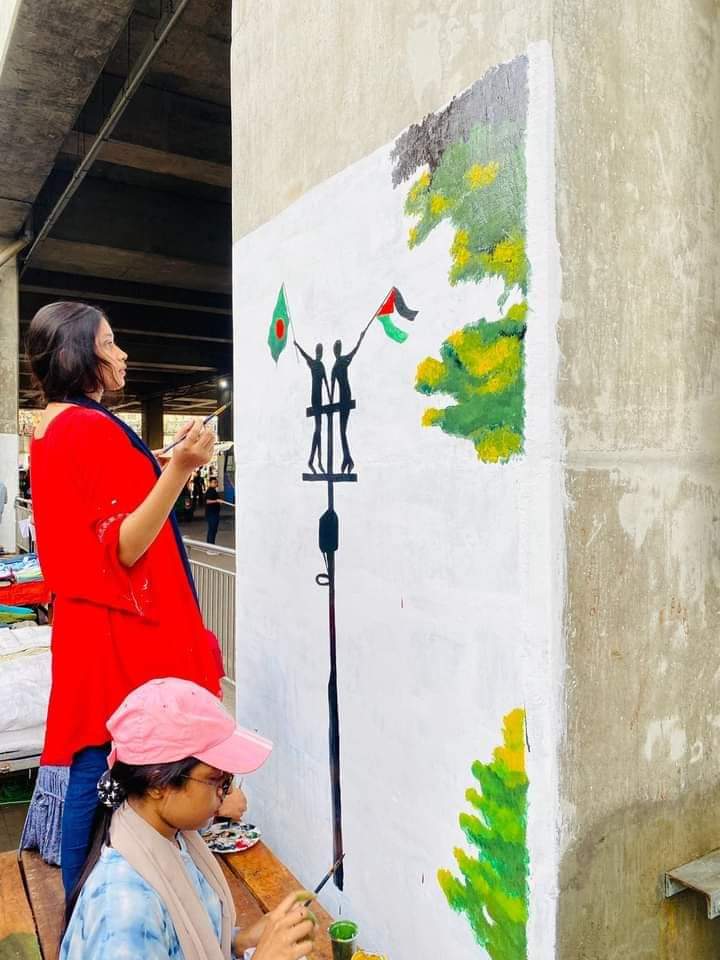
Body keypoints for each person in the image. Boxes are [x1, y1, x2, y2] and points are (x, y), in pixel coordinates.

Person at [26, 301, 225, 897]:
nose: (122, 353)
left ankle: (89, 902)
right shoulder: (87, 427)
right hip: (121, 631)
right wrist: (183, 468)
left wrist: (155, 465)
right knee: (115, 755)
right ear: (78, 354)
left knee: (97, 748)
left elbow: (97, 518)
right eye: (109, 343)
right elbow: (125, 547)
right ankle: (99, 904)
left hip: (90, 625)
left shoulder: (54, 423)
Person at [61, 677, 316, 960]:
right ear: (159, 783)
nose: (225, 793)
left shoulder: (173, 839)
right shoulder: (125, 911)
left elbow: (186, 941)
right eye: (217, 780)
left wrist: (239, 941)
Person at [330, 318, 373, 474]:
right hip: (344, 397)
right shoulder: (339, 364)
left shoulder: (338, 364)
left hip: (344, 398)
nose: (337, 351)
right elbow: (331, 389)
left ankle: (347, 459)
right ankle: (347, 459)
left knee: (342, 431)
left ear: (337, 351)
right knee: (342, 431)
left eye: (338, 348)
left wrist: (360, 338)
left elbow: (331, 389)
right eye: (337, 349)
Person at [293, 341, 329, 473]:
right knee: (318, 429)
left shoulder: (319, 365)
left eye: (320, 352)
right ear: (317, 352)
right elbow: (304, 355)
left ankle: (315, 460)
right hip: (315, 399)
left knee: (318, 429)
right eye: (319, 351)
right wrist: (297, 345)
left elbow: (326, 383)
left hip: (319, 399)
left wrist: (330, 398)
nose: (319, 353)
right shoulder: (315, 364)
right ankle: (315, 461)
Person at [205, 477, 223, 544]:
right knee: (212, 530)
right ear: (210, 483)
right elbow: (207, 501)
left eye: (216, 482)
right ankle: (210, 548)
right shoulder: (210, 490)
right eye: (214, 482)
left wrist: (218, 501)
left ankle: (211, 546)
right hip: (211, 514)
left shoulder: (214, 490)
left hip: (214, 513)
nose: (216, 483)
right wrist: (216, 500)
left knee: (213, 530)